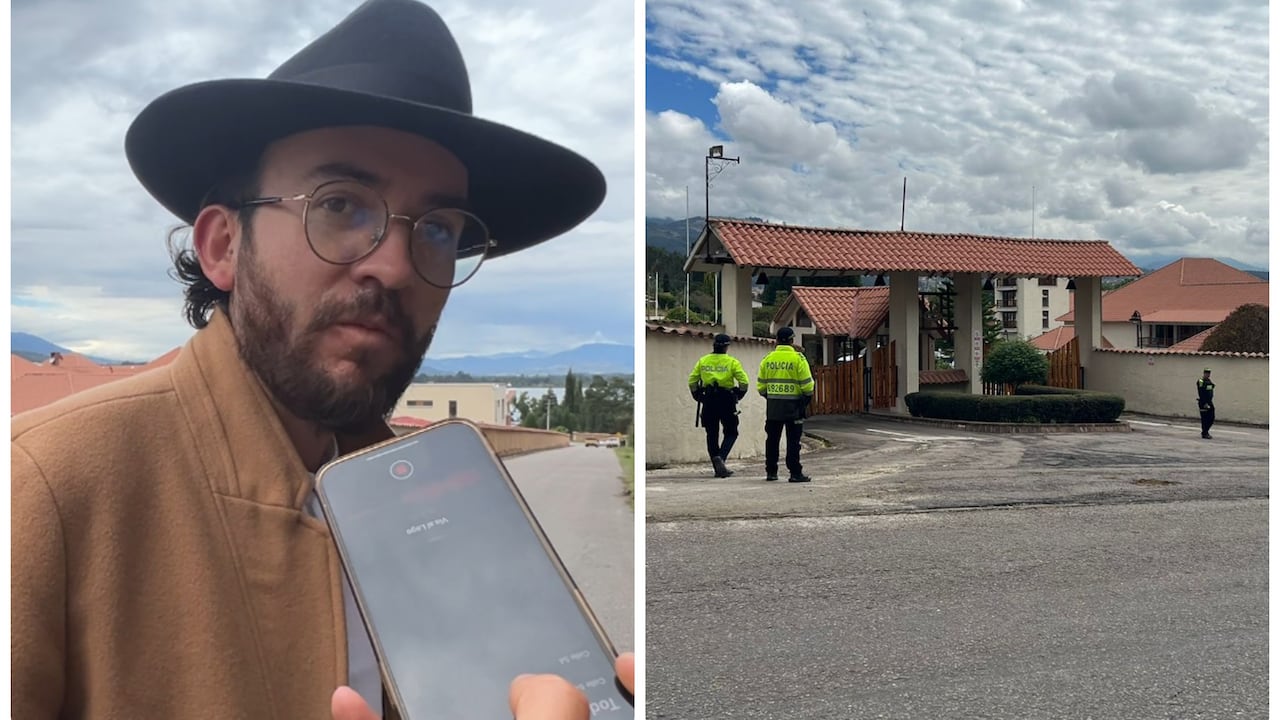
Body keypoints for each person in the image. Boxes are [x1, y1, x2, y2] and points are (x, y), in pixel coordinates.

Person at [11, 1, 633, 718]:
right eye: (341, 205)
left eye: (437, 228)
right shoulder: (42, 492)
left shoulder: (439, 501)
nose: (396, 266)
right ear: (221, 246)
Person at [757, 326, 815, 483]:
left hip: (774, 407)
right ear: (791, 340)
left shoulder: (768, 359)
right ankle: (795, 473)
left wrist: (771, 397)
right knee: (793, 441)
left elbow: (761, 386)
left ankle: (771, 472)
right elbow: (808, 386)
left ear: (776, 341)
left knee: (772, 440)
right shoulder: (799, 359)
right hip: (794, 407)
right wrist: (805, 401)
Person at [688, 333, 750, 477]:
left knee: (711, 434)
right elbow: (744, 382)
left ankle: (717, 464)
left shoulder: (703, 361)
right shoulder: (732, 362)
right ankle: (720, 458)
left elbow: (692, 381)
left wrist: (697, 396)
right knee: (732, 432)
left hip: (709, 400)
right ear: (727, 347)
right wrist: (739, 395)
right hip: (726, 400)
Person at [1197, 367, 1216, 439]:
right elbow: (1201, 391)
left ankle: (1205, 431)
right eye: (1206, 373)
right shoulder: (1201, 381)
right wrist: (1205, 403)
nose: (1208, 375)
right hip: (1203, 402)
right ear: (1204, 373)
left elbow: (1211, 387)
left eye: (1209, 373)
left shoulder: (1209, 381)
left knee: (1211, 418)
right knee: (1205, 418)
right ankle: (1204, 433)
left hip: (1209, 401)